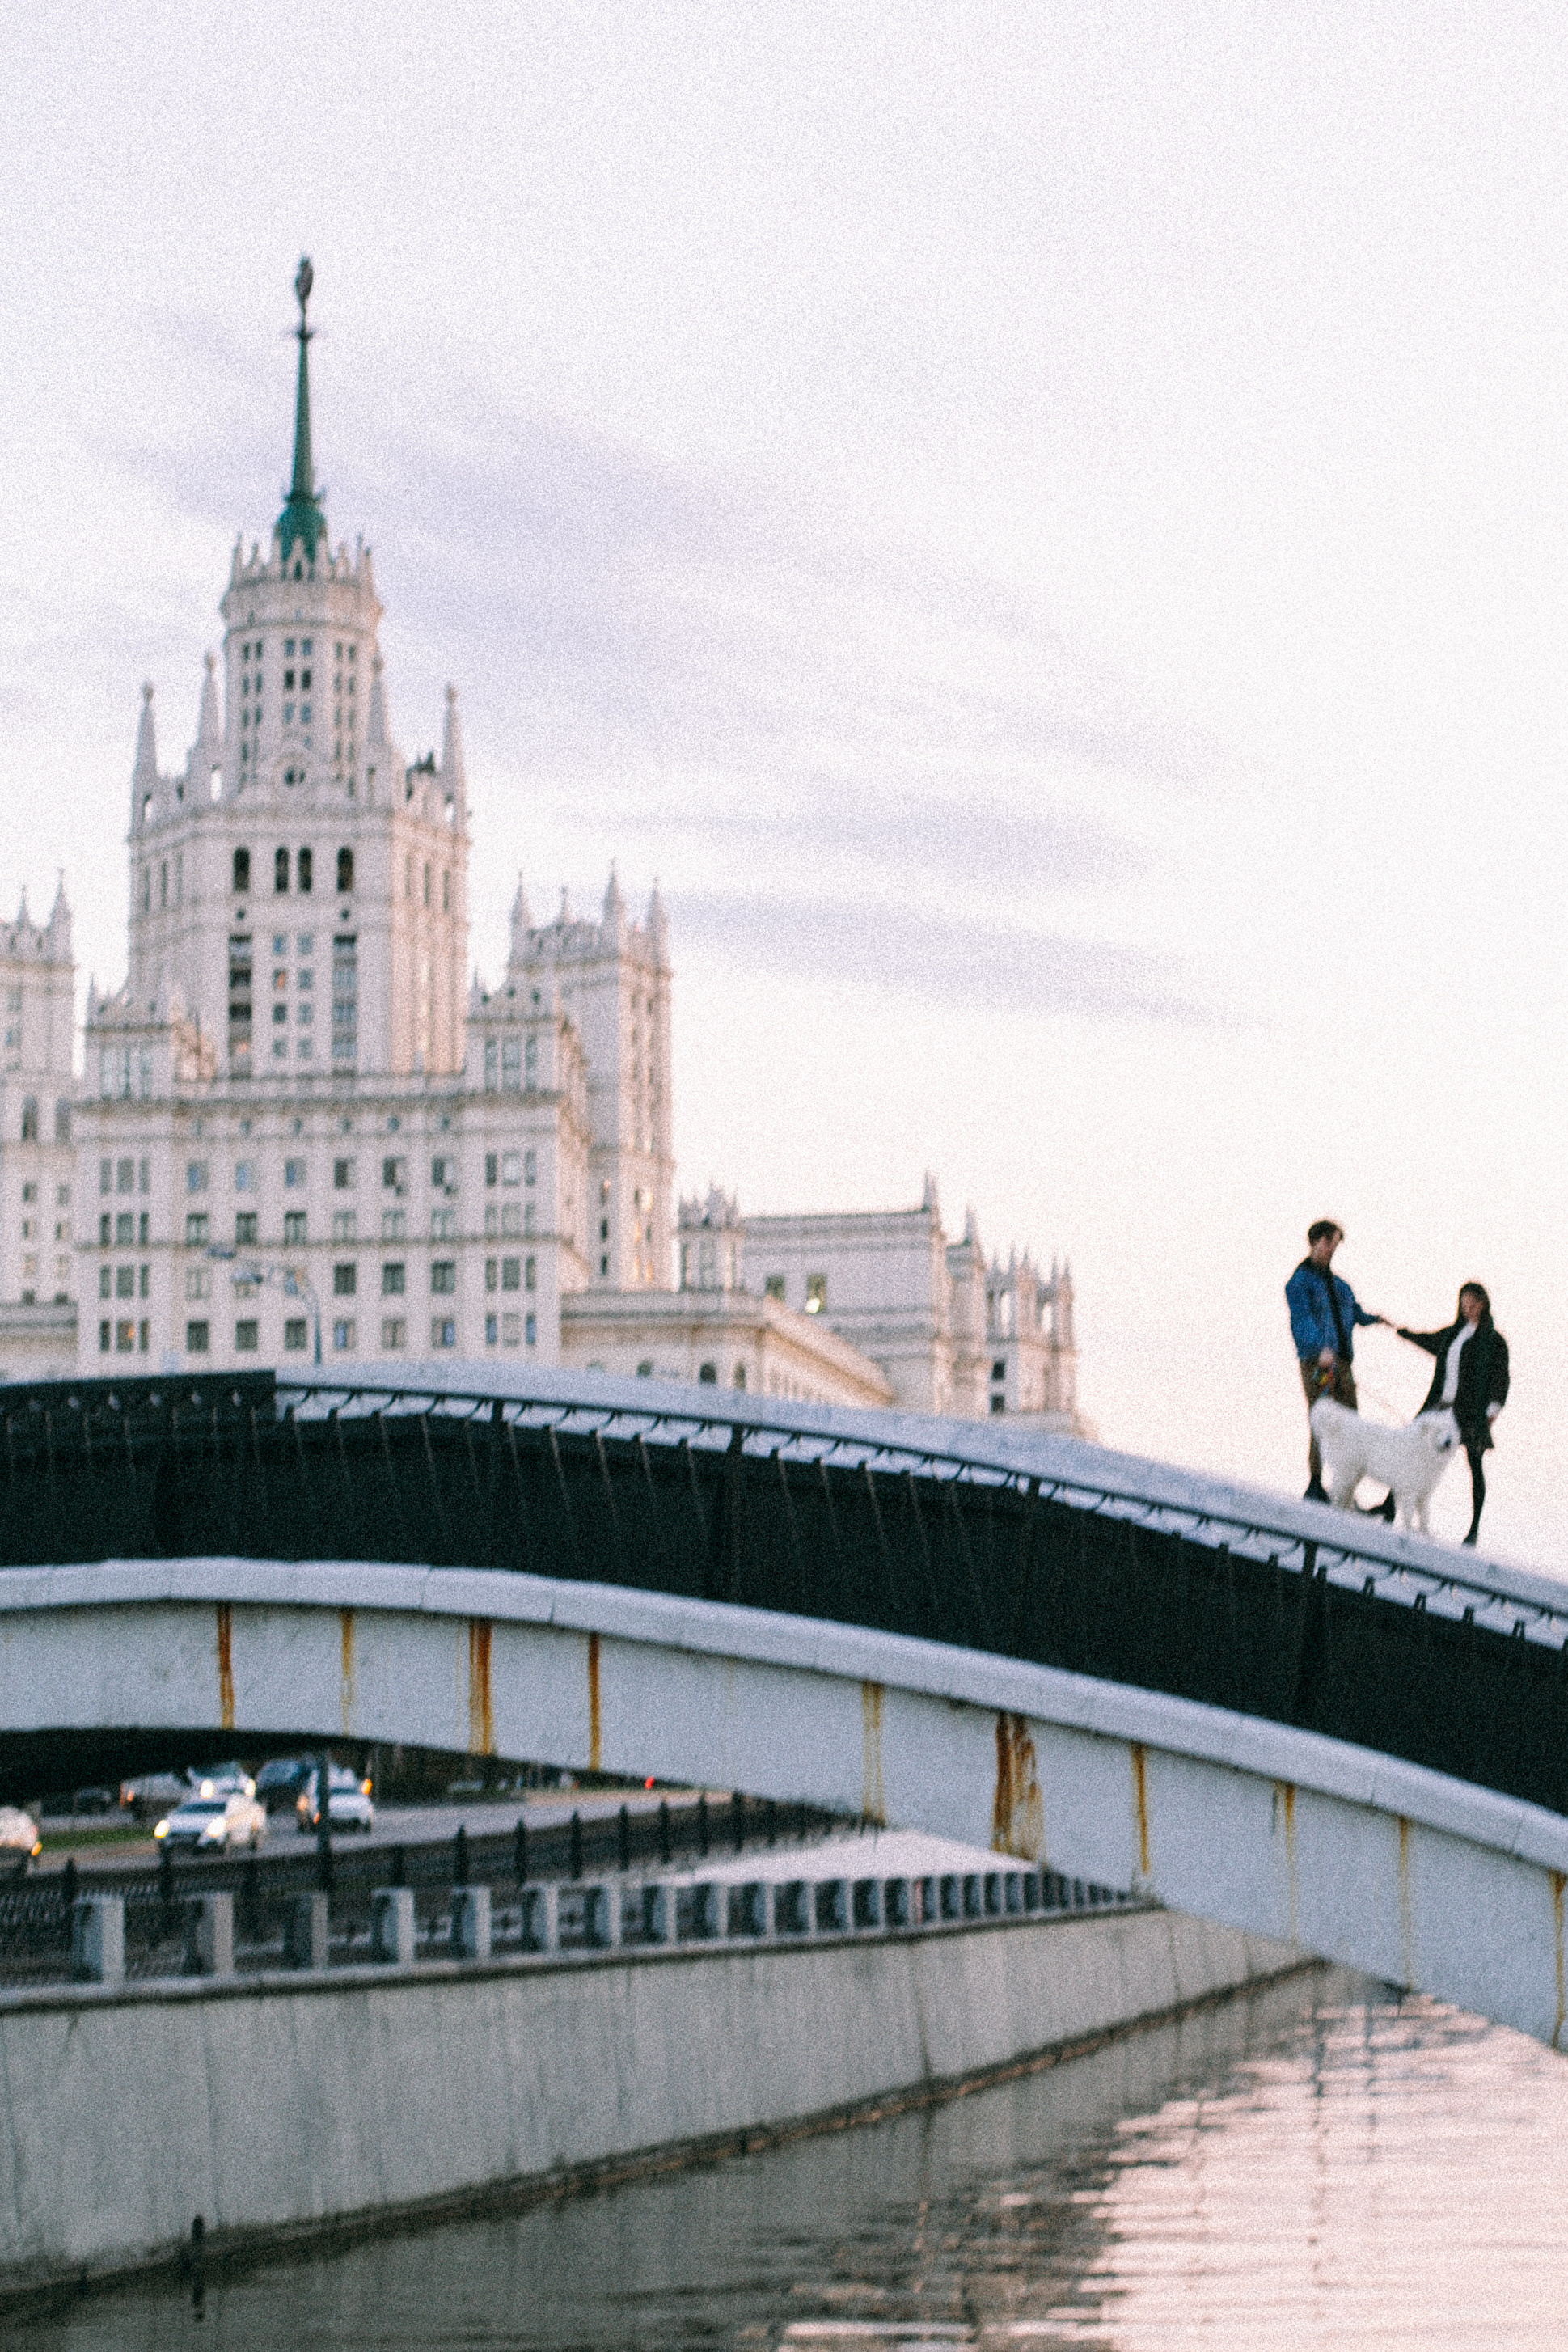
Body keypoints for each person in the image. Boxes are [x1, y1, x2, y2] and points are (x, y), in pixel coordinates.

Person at [1394, 1285, 1509, 1546]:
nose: (1467, 1308)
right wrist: (1403, 1333)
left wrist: (1493, 1410)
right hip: (1440, 1405)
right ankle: (1390, 1506)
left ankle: (1474, 1529)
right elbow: (1429, 1340)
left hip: (1469, 1414)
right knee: (1412, 1447)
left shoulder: (1494, 1341)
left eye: (1472, 1303)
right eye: (1464, 1303)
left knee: (1475, 1465)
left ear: (1483, 1304)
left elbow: (1501, 1380)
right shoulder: (1453, 1333)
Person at [1286, 1220, 1389, 1503]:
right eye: (1329, 1242)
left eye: (1335, 1244)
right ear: (1315, 1242)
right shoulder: (1299, 1283)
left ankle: (1344, 1489)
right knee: (1324, 1418)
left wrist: (1374, 1319)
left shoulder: (1341, 1286)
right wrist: (1319, 1349)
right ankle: (1316, 1483)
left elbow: (1353, 1312)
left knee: (1351, 1422)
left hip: (1342, 1365)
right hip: (1320, 1365)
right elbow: (1302, 1320)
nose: (1332, 1249)